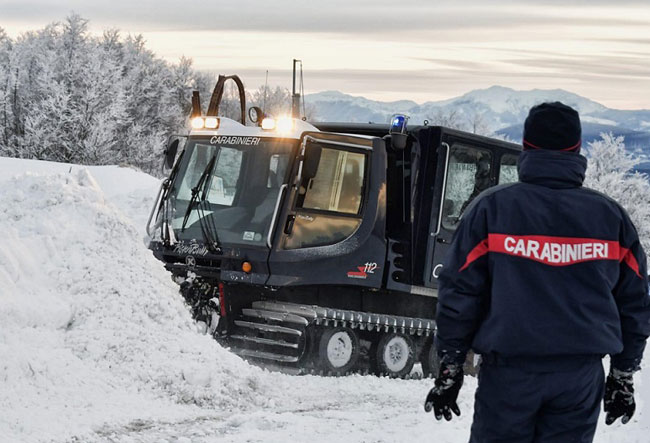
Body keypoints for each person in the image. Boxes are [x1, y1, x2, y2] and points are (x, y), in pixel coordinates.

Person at [424, 102, 650, 442]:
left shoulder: (491, 209)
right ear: (576, 149)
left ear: (527, 146)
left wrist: (450, 366)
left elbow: (459, 292)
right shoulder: (610, 218)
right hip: (579, 379)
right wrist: (623, 373)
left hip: (509, 377)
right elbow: (634, 301)